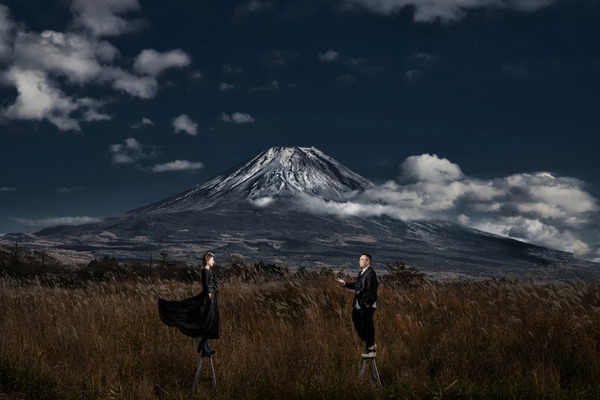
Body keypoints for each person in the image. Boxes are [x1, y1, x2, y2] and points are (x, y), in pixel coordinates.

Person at [158, 252, 219, 357]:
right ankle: (203, 346)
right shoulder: (205, 270)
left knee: (210, 321)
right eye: (212, 259)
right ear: (207, 260)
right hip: (208, 298)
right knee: (207, 321)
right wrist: (208, 294)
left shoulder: (208, 270)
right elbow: (205, 284)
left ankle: (205, 345)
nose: (214, 261)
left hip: (212, 297)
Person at [336, 253, 378, 358]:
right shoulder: (363, 273)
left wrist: (367, 303)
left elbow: (371, 290)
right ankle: (369, 344)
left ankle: (371, 347)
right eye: (360, 259)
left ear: (367, 261)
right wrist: (345, 283)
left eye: (362, 259)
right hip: (359, 303)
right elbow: (356, 285)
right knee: (356, 320)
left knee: (367, 324)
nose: (359, 261)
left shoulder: (370, 273)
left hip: (366, 304)